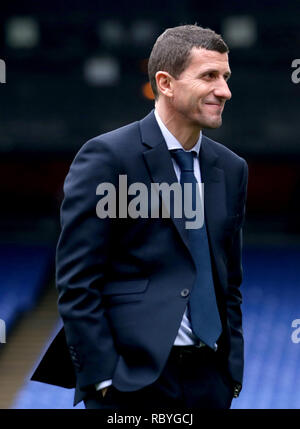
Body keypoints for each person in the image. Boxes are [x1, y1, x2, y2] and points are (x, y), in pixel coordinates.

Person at [32, 24, 248, 409]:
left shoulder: (232, 169)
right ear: (165, 83)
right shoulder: (107, 158)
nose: (225, 90)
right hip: (130, 385)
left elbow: (228, 282)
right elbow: (78, 283)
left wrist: (230, 373)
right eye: (209, 76)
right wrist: (101, 379)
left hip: (209, 384)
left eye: (226, 77)